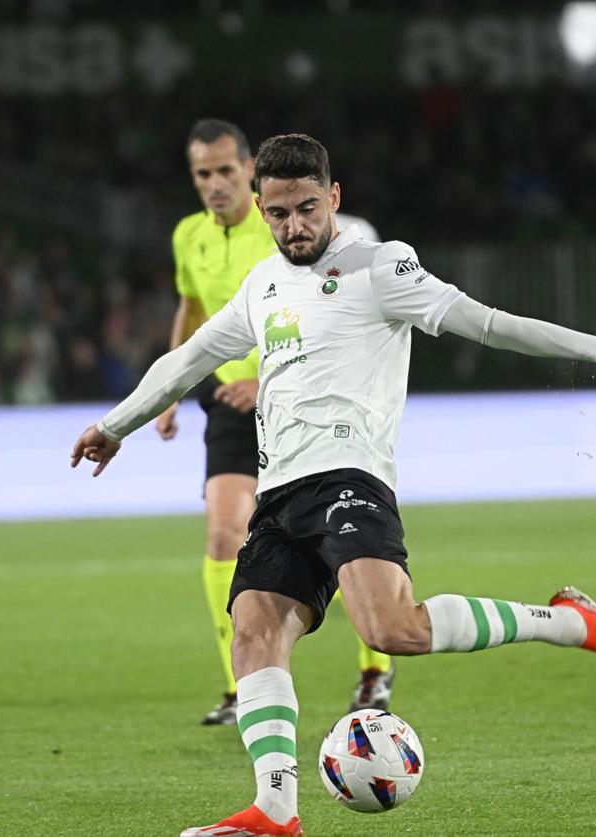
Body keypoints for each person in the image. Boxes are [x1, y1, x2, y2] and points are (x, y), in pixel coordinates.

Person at [72, 133, 596, 837]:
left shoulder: (382, 266)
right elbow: (190, 357)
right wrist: (116, 425)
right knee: (254, 634)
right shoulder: (262, 284)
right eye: (278, 213)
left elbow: (491, 325)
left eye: (306, 209)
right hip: (281, 493)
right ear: (261, 210)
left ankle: (574, 621)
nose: (294, 226)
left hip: (351, 478)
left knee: (392, 628)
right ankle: (275, 810)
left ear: (334, 199)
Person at [160, 118, 393, 727]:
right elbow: (192, 308)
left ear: (247, 173)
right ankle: (240, 687)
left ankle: (375, 670)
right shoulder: (189, 236)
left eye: (223, 171)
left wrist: (265, 378)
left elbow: (328, 317)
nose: (213, 184)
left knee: (338, 542)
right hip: (228, 407)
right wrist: (169, 391)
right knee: (220, 537)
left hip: (303, 402)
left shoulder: (288, 232)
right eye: (201, 174)